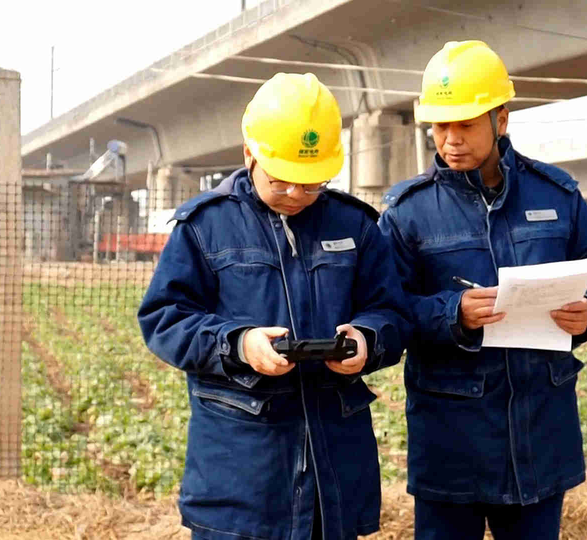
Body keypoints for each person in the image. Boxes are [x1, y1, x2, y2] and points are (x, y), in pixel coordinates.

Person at [138, 72, 411, 540]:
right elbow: (165, 318)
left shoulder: (357, 225)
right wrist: (238, 344)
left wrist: (366, 339)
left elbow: (391, 312)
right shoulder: (206, 226)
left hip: (334, 471)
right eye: (282, 181)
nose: (296, 195)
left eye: (311, 184)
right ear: (251, 154)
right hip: (242, 474)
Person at [378, 41, 587, 540]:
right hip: (452, 439)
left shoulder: (557, 195)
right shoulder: (407, 211)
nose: (450, 140)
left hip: (538, 431)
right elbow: (387, 310)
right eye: (440, 126)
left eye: (465, 124)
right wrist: (453, 313)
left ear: (501, 120)